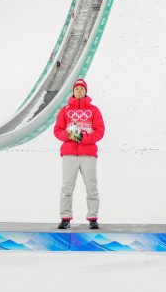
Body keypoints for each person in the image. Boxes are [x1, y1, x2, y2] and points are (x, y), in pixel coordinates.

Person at [53, 78, 105, 230]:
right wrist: (69, 136)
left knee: (91, 186)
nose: (79, 91)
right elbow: (58, 130)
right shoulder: (65, 111)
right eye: (76, 89)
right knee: (67, 187)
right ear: (73, 91)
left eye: (82, 89)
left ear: (85, 91)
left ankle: (93, 218)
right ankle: (65, 218)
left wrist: (83, 138)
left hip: (88, 154)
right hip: (69, 154)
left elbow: (99, 132)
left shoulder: (94, 110)